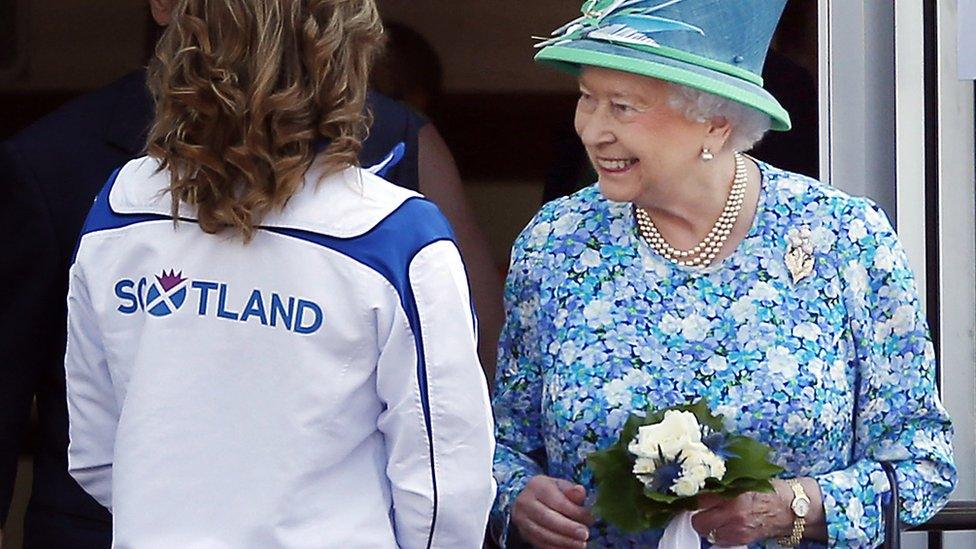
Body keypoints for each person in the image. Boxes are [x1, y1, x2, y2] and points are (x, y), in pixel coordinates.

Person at [0, 2, 503, 547]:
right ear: (346, 59)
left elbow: (97, 452)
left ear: (182, 51)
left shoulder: (120, 205)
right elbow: (444, 493)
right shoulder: (398, 234)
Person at [491, 1, 956, 548]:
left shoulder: (843, 238)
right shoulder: (556, 244)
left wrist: (795, 506)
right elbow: (502, 445)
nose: (592, 131)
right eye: (587, 99)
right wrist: (517, 495)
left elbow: (922, 462)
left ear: (714, 123)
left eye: (621, 107)